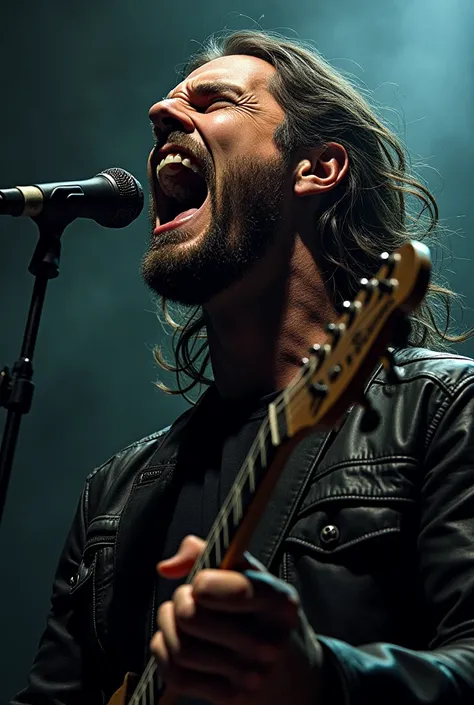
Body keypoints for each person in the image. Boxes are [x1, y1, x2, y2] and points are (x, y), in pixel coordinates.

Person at [10, 29, 474, 705]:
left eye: (214, 100)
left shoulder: (444, 411)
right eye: (170, 104)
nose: (161, 114)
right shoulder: (113, 493)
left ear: (318, 168)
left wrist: (320, 675)